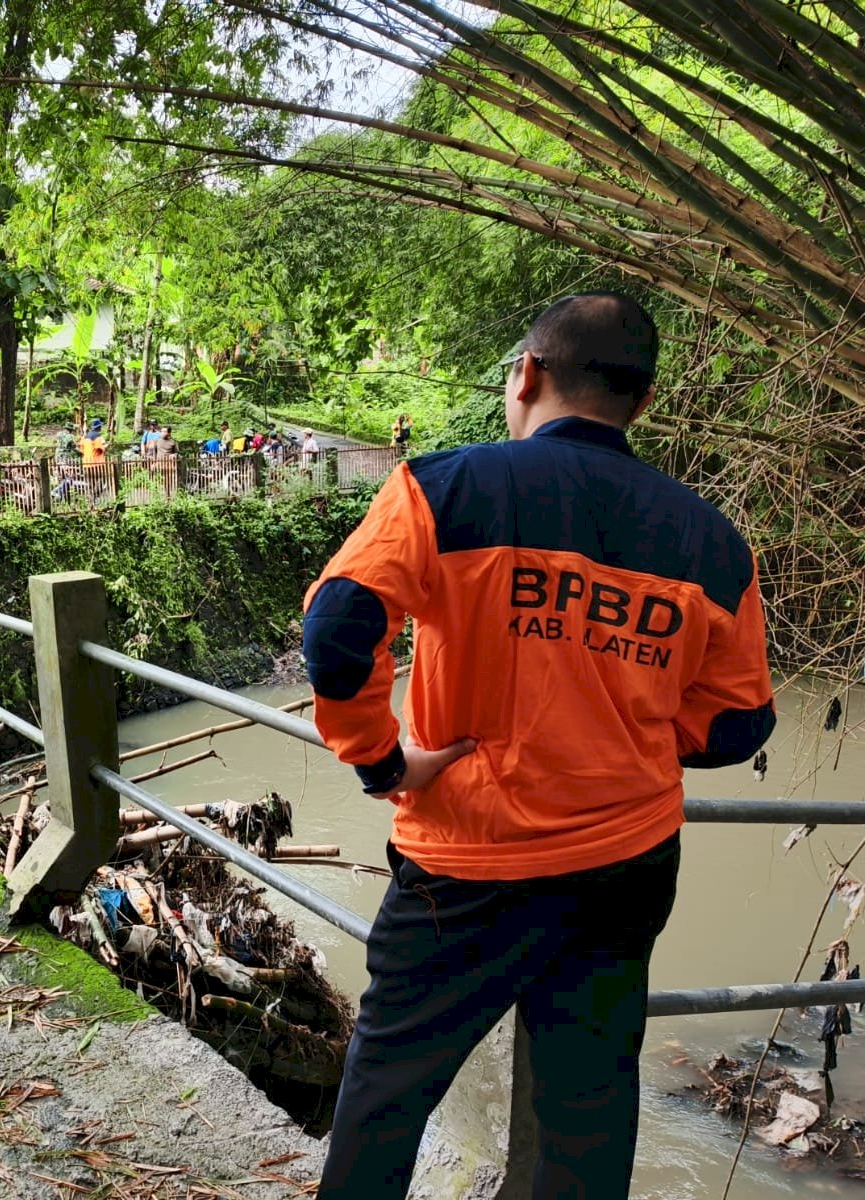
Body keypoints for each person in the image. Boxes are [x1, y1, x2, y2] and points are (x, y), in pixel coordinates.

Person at [303, 292, 776, 1198]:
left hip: (464, 860)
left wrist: (382, 760)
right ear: (641, 403)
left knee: (388, 1093)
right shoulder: (712, 544)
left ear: (526, 375)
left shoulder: (444, 489)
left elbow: (338, 628)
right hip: (625, 864)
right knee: (586, 1112)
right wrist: (626, 726)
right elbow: (739, 723)